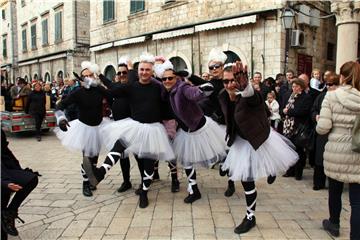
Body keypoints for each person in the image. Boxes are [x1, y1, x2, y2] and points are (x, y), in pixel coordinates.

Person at [84, 53, 176, 209]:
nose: (144, 72)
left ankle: (144, 193)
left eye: (147, 70)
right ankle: (99, 173)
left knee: (148, 165)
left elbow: (168, 104)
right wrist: (95, 84)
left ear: (152, 71)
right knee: (119, 145)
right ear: (138, 70)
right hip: (135, 126)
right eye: (142, 69)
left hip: (153, 130)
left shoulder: (158, 87)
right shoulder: (131, 87)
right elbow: (111, 92)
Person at [218, 62, 298, 234]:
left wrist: (244, 85)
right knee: (247, 180)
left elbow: (253, 96)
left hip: (258, 137)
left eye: (233, 80)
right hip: (240, 141)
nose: (230, 84)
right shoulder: (222, 95)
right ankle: (251, 217)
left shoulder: (248, 94)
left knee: (264, 163)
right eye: (225, 82)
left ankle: (270, 172)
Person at [158, 60, 227, 203]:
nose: (167, 81)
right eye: (164, 79)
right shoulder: (168, 93)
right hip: (186, 132)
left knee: (219, 152)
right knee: (187, 162)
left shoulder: (182, 88)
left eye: (170, 78)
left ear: (176, 78)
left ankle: (227, 164)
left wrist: (201, 89)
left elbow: (196, 92)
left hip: (201, 129)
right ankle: (195, 190)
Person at [316, 61, 360, 239]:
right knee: (357, 201)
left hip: (336, 151)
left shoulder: (331, 96)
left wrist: (320, 119)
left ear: (342, 76)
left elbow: (323, 128)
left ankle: (334, 223)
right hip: (358, 151)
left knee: (334, 190)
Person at [54, 61, 110, 197]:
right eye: (85, 76)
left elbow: (113, 97)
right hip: (84, 128)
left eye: (91, 75)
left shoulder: (99, 90)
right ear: (80, 79)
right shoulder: (77, 92)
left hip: (99, 126)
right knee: (87, 158)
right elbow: (59, 106)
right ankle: (85, 183)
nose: (88, 77)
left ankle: (92, 180)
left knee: (95, 158)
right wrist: (61, 119)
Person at [1, 130, 39, 237]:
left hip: (5, 171)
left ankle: (9, 213)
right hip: (2, 177)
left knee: (30, 179)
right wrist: (4, 181)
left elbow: (5, 150)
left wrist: (18, 169)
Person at [311, 72, 339, 190]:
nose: (328, 87)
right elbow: (313, 109)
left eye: (331, 84)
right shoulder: (321, 96)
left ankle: (336, 183)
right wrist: (315, 116)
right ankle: (318, 182)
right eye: (326, 84)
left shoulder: (340, 98)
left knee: (335, 159)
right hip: (322, 132)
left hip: (336, 132)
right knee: (320, 157)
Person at [282, 79, 312, 180]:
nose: (293, 88)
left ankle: (298, 172)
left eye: (295, 86)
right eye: (293, 86)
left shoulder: (306, 97)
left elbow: (302, 111)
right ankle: (290, 170)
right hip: (289, 127)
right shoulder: (291, 96)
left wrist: (288, 111)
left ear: (301, 87)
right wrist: (285, 111)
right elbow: (286, 106)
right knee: (290, 149)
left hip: (299, 127)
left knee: (299, 150)